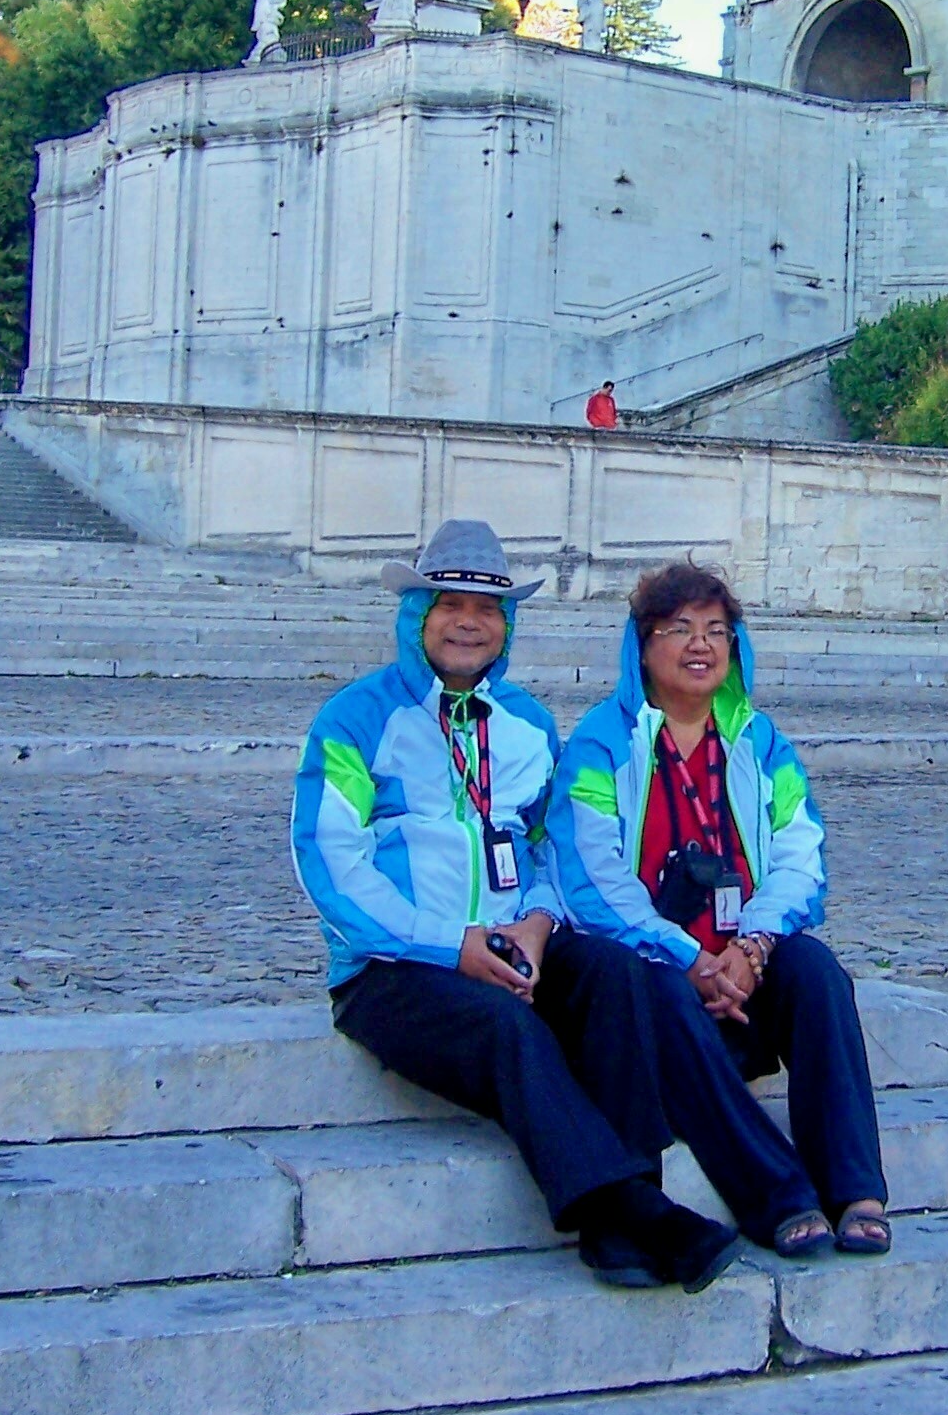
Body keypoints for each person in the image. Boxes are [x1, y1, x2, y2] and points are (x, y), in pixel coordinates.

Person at [294, 519, 795, 1291]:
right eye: (449, 603)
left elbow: (544, 849)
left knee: (618, 974)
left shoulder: (527, 724)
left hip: (511, 944)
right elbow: (332, 867)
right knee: (506, 1027)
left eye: (487, 609)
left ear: (507, 626)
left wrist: (533, 923)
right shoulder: (355, 722)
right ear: (416, 616)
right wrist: (450, 944)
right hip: (393, 967)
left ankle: (631, 1226)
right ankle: (627, 1214)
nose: (469, 622)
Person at [555, 562, 892, 1255]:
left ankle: (856, 1186)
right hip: (661, 983)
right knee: (657, 991)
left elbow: (803, 854)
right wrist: (691, 960)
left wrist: (755, 947)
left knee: (817, 972)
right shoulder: (600, 745)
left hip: (742, 973)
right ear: (641, 646)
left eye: (716, 630)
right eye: (678, 628)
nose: (700, 645)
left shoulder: (759, 743)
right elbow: (591, 881)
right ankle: (777, 1195)